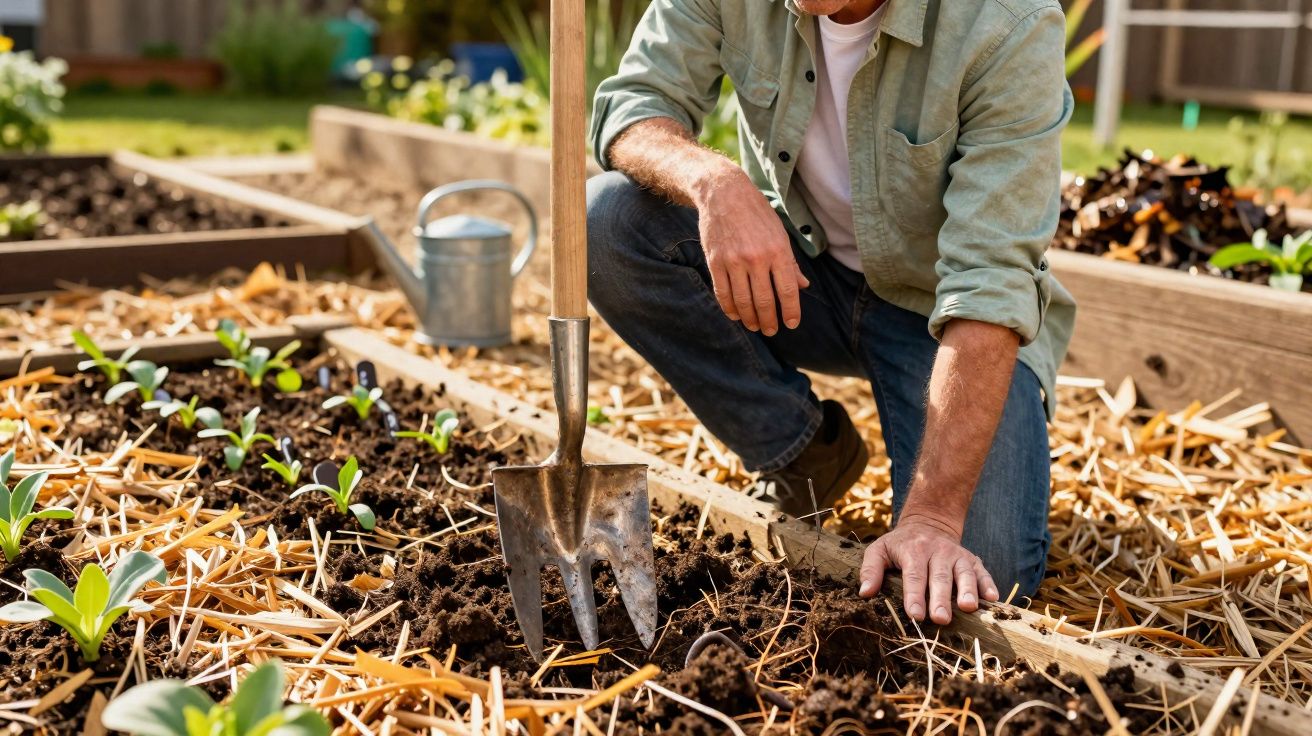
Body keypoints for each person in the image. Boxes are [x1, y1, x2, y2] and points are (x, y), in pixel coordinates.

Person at [585, 0, 1075, 625]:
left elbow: (989, 282)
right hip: (796, 275)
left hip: (937, 311)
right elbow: (634, 106)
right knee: (607, 221)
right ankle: (802, 450)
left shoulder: (1006, 21)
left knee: (975, 573)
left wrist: (931, 517)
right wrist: (714, 182)